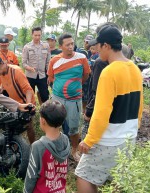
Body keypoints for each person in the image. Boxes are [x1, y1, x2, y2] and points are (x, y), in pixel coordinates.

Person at [75, 25, 143, 193]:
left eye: (98, 46)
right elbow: (139, 105)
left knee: (83, 175)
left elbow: (101, 112)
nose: (96, 50)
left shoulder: (109, 71)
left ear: (106, 46)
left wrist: (89, 140)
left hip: (108, 138)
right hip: (128, 137)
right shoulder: (134, 68)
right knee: (117, 180)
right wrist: (135, 127)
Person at [48, 34, 91, 162]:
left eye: (72, 43)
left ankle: (74, 150)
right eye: (67, 45)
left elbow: (86, 75)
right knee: (54, 124)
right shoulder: (54, 60)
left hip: (74, 99)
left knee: (73, 128)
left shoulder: (82, 58)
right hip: (57, 97)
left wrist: (75, 87)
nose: (71, 47)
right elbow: (51, 78)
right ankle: (56, 149)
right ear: (60, 46)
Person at [0, 53, 36, 144]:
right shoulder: (1, 72)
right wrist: (1, 88)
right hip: (15, 103)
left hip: (25, 102)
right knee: (14, 127)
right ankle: (18, 147)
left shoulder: (16, 71)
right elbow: (6, 82)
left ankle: (32, 146)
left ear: (1, 64)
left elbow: (28, 90)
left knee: (28, 126)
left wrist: (28, 105)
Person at [23, 100, 70, 193]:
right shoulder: (65, 140)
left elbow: (31, 175)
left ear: (43, 120)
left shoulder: (38, 146)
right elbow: (66, 168)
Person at [22, 27, 50, 105]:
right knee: (29, 96)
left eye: (39, 35)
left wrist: (49, 74)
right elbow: (23, 63)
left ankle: (45, 112)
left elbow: (48, 62)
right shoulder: (27, 47)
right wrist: (29, 68)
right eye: (35, 35)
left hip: (42, 75)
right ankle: (30, 113)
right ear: (32, 35)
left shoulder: (46, 46)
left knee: (45, 96)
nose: (37, 37)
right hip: (30, 76)